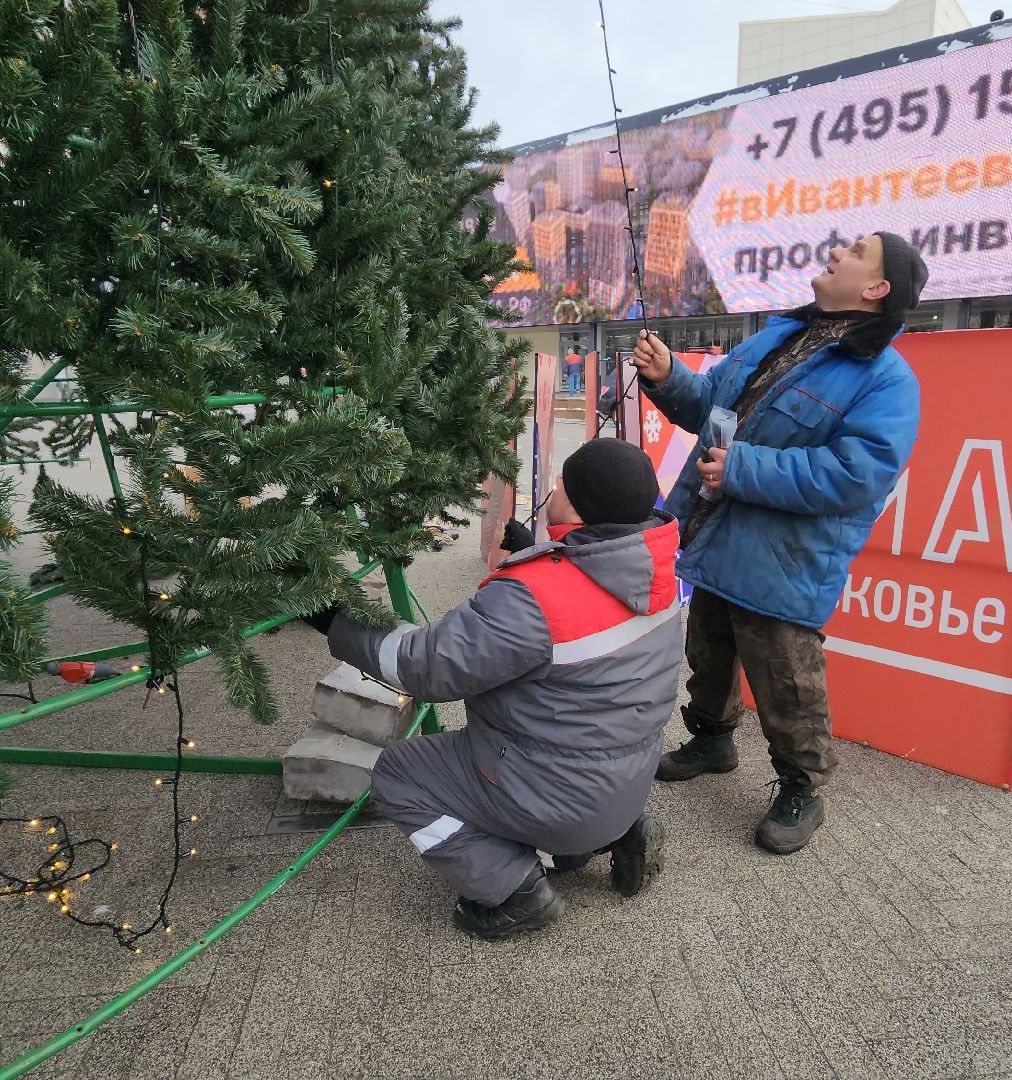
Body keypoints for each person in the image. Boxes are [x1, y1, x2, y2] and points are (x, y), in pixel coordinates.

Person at [303, 439, 681, 940]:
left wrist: (332, 618)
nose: (551, 492)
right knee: (587, 742)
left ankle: (515, 890)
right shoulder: (654, 571)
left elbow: (423, 666)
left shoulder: (531, 598)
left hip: (558, 798)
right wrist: (536, 553)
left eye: (560, 486)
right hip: (628, 782)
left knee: (398, 773)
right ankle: (618, 833)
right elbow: (583, 612)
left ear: (576, 509)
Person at [629, 231, 925, 855]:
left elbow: (857, 473)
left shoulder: (886, 378)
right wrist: (669, 377)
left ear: (878, 288)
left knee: (787, 676)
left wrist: (742, 468)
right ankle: (712, 740)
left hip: (784, 559)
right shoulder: (779, 336)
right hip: (716, 532)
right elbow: (711, 407)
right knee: (708, 647)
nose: (836, 252)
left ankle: (801, 786)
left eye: (857, 252)